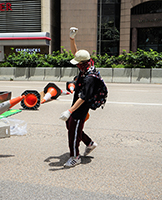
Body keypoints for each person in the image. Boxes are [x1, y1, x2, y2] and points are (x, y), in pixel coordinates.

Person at [59, 27, 99, 168]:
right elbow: (76, 53)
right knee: (71, 126)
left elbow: (83, 97)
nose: (76, 65)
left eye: (77, 64)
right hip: (77, 104)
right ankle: (89, 143)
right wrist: (72, 39)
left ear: (82, 64)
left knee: (73, 132)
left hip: (81, 106)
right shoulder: (87, 65)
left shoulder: (89, 77)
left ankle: (75, 157)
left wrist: (69, 111)